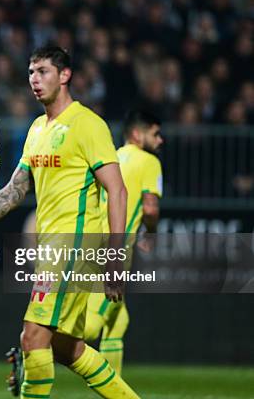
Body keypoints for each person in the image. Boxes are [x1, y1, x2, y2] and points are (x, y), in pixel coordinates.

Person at [0, 44, 140, 398]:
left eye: (42, 71)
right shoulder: (38, 129)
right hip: (53, 248)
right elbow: (13, 192)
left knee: (33, 336)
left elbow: (117, 191)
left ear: (65, 75)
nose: (34, 80)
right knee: (64, 347)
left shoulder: (87, 124)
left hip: (77, 244)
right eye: (30, 72)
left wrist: (116, 255)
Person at [85, 110, 163, 375]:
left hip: (93, 242)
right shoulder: (149, 161)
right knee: (92, 326)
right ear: (138, 134)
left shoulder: (112, 157)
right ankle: (35, 350)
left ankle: (113, 390)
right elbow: (150, 209)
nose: (160, 140)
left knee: (118, 322)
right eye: (155, 133)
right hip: (115, 251)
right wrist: (151, 233)